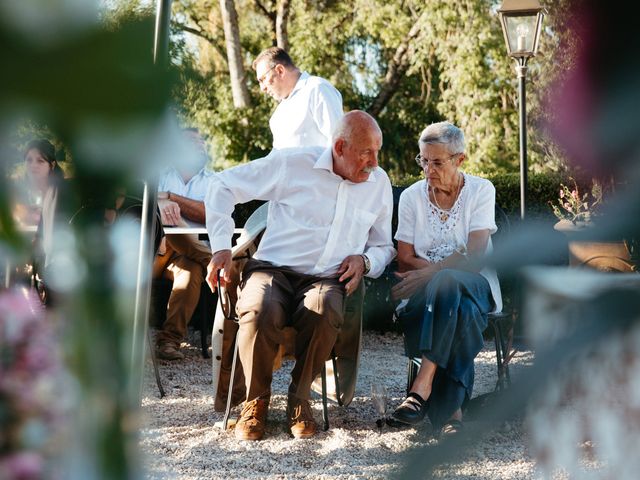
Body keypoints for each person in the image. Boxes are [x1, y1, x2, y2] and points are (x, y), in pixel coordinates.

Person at [205, 110, 395, 440]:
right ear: (339, 146)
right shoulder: (291, 164)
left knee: (325, 309)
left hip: (325, 277)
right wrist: (221, 246)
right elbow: (221, 185)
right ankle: (255, 401)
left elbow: (384, 246)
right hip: (272, 270)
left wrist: (364, 260)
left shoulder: (379, 185)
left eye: (377, 151)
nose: (375, 163)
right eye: (366, 152)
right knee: (259, 308)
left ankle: (299, 398)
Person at [388, 121, 502, 436]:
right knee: (460, 309)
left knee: (449, 281)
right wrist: (443, 271)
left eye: (437, 162)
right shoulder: (412, 197)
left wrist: (433, 272)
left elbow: (476, 256)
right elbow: (404, 257)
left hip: (477, 286)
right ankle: (453, 415)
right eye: (423, 160)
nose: (428, 169)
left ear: (459, 160)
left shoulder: (481, 190)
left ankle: (421, 386)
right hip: (432, 299)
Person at [153, 128, 214, 360]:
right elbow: (139, 201)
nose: (200, 145)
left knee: (190, 273)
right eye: (191, 141)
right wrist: (161, 204)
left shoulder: (214, 181)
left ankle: (169, 341)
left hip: (186, 256)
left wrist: (171, 198)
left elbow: (210, 214)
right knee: (173, 233)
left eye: (202, 141)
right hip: (157, 251)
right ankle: (215, 261)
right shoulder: (158, 175)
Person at [252, 47, 343, 150]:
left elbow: (339, 144)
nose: (262, 88)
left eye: (263, 79)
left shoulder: (317, 89)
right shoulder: (276, 117)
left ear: (280, 71)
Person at [13, 139, 64, 227]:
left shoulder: (61, 194)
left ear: (52, 165)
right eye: (29, 160)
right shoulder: (28, 191)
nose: (33, 165)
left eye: (40, 161)